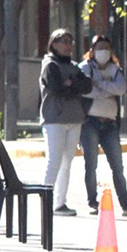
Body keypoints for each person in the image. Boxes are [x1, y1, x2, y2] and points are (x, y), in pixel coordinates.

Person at [79, 35, 127, 218]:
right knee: (91, 165)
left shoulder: (115, 69)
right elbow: (86, 89)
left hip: (110, 125)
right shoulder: (85, 67)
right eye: (99, 47)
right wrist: (106, 90)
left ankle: (126, 206)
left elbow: (121, 88)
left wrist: (100, 84)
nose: (103, 51)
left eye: (106, 47)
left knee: (117, 167)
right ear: (92, 50)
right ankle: (92, 202)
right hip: (90, 123)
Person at [40, 29, 92, 217]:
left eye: (70, 42)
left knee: (67, 162)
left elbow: (87, 86)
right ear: (54, 44)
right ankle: (45, 199)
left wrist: (72, 84)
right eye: (64, 41)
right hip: (54, 120)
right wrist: (71, 86)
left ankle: (60, 203)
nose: (68, 45)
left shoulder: (73, 66)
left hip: (74, 119)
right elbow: (57, 89)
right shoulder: (49, 65)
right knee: (54, 160)